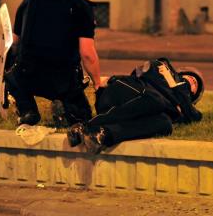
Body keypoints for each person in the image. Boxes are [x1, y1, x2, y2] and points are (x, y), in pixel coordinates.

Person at [5, 0, 102, 128]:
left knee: (13, 73)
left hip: (27, 76)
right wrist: (97, 83)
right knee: (83, 120)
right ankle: (69, 111)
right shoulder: (80, 5)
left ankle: (28, 110)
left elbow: (13, 43)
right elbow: (87, 54)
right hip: (63, 81)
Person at [67, 58, 204, 154]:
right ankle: (86, 125)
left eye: (193, 87)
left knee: (165, 123)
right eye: (190, 79)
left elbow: (194, 117)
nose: (190, 84)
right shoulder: (163, 66)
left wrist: (180, 92)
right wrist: (178, 95)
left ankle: (102, 135)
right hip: (120, 94)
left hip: (129, 113)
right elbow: (147, 71)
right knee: (156, 100)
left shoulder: (178, 101)